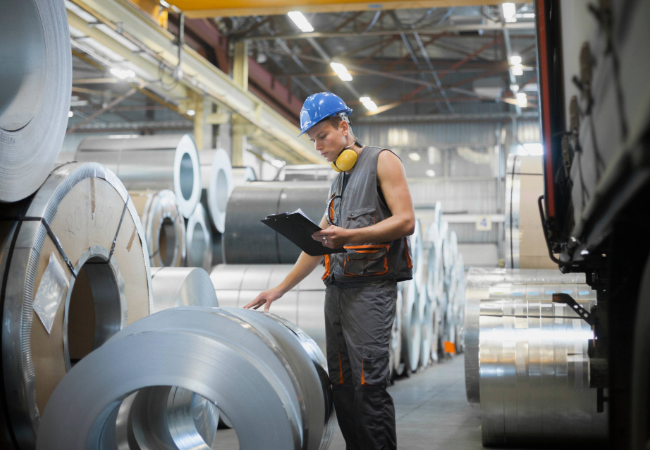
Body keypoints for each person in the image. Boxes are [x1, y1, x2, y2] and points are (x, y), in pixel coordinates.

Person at [244, 92, 415, 450]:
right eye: (313, 140)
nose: (318, 146)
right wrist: (278, 289)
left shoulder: (382, 161)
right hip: (337, 294)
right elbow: (317, 244)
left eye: (323, 136)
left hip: (371, 292)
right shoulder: (339, 181)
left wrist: (349, 235)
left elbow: (406, 221)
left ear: (344, 126)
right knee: (342, 385)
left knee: (368, 386)